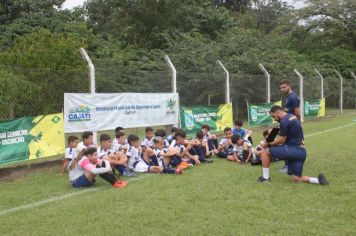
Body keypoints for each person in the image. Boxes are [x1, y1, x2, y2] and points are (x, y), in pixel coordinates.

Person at [257, 105, 329, 185]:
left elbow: (282, 139)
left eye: (273, 116)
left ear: (277, 112)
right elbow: (290, 131)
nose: (274, 119)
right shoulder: (292, 117)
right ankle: (318, 180)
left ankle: (265, 178)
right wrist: (275, 132)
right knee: (296, 178)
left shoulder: (284, 121)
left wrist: (269, 144)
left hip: (293, 150)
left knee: (265, 151)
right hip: (301, 152)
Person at [279, 79, 301, 173]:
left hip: (291, 125)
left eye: (284, 87)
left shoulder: (293, 97)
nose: (282, 89)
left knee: (287, 144)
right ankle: (289, 165)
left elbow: (297, 112)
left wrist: (297, 124)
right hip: (288, 124)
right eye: (281, 88)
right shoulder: (289, 97)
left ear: (289, 86)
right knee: (287, 144)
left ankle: (288, 166)